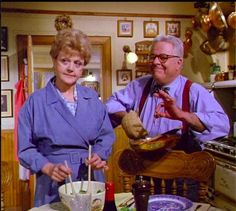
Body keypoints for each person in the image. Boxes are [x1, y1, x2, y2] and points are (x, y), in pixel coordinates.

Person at [106, 34, 230, 200]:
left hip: (182, 180)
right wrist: (125, 116)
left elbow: (222, 125)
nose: (155, 62)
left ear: (179, 63)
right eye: (153, 57)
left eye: (163, 57)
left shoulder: (193, 91)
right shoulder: (139, 86)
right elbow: (110, 103)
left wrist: (182, 115)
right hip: (145, 172)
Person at [18, 28, 115, 207]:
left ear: (83, 67)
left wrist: (99, 155)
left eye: (77, 63)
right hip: (53, 182)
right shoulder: (35, 102)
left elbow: (106, 136)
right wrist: (47, 167)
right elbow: (25, 149)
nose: (71, 68)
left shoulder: (92, 98)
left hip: (91, 178)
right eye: (65, 61)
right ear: (54, 60)